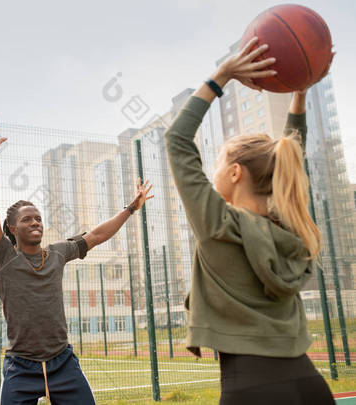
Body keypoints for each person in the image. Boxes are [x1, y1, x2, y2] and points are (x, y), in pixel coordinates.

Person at [164, 37, 334, 404]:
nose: (215, 170)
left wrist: (221, 76)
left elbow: (177, 140)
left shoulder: (217, 224)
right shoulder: (290, 227)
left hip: (250, 389)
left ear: (237, 173)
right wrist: (299, 96)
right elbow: (292, 159)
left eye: (221, 163)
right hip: (309, 385)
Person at [0, 112, 153, 405]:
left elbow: (95, 236)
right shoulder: (3, 256)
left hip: (62, 364)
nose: (35, 223)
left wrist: (131, 208)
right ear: (13, 229)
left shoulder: (58, 252)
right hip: (21, 367)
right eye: (27, 220)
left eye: (38, 218)